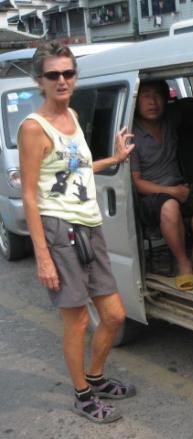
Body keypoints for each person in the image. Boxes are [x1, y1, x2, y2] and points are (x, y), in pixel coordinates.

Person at [18, 41, 136, 423]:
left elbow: (77, 170)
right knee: (78, 320)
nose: (62, 80)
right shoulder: (34, 128)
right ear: (41, 81)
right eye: (54, 74)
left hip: (89, 226)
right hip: (58, 230)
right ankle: (82, 394)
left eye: (68, 73)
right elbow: (31, 196)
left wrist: (114, 160)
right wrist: (42, 256)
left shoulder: (72, 116)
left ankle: (96, 377)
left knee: (115, 315)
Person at [131, 81, 193, 292]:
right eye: (146, 96)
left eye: (158, 96)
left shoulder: (170, 120)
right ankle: (183, 263)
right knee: (170, 207)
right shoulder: (132, 136)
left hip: (177, 186)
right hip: (150, 196)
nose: (153, 102)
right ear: (136, 101)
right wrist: (170, 192)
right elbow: (137, 183)